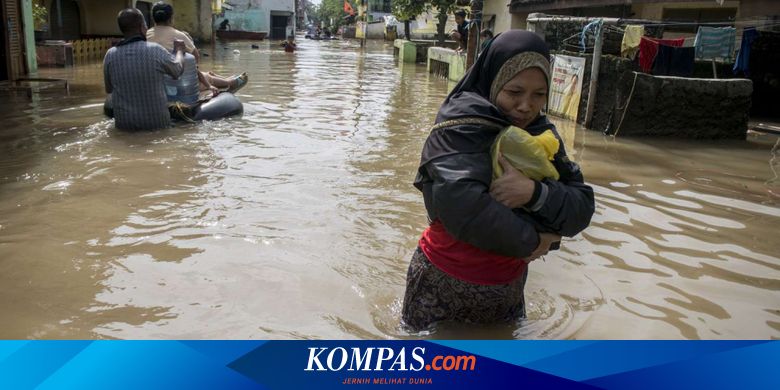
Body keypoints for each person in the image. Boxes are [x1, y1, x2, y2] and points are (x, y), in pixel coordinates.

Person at [401, 30, 595, 331]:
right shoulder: (459, 126)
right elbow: (461, 206)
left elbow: (581, 206)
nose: (526, 106)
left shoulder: (541, 135)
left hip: (507, 289)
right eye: (514, 92)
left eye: (539, 95)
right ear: (493, 82)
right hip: (442, 285)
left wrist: (534, 192)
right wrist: (537, 241)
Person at [103, 8, 184, 131]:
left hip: (125, 127)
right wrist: (179, 51)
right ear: (142, 27)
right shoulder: (156, 50)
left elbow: (109, 90)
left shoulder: (110, 55)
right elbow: (177, 71)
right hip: (157, 125)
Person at [146, 2, 247, 94]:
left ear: (153, 18)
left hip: (152, 81)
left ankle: (227, 79)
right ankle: (231, 82)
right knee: (207, 77)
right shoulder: (180, 36)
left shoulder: (146, 35)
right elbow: (195, 60)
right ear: (171, 18)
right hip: (176, 84)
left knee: (207, 73)